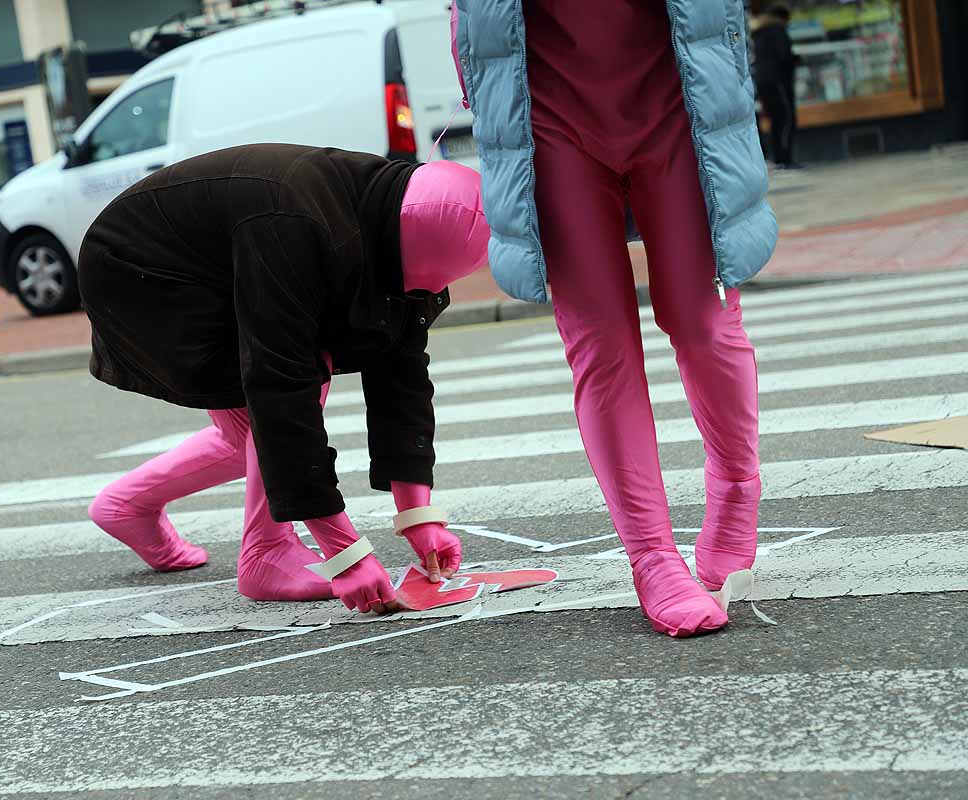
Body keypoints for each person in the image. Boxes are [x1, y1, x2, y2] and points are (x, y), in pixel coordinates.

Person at [452, 1, 778, 637]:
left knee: (702, 322)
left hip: (679, 102)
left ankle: (737, 488)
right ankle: (653, 558)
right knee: (602, 347)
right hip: (547, 118)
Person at [79, 144, 490, 614]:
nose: (423, 296)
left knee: (249, 439)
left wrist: (419, 515)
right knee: (290, 387)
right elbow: (280, 385)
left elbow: (401, 369)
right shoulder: (297, 229)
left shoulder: (390, 213)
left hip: (212, 258)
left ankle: (126, 504)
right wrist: (345, 553)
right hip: (141, 274)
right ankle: (265, 553)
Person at [753, 2, 800, 168]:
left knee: (775, 119)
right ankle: (784, 158)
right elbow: (784, 56)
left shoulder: (759, 31)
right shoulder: (778, 31)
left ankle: (778, 158)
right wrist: (796, 60)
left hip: (762, 80)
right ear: (783, 18)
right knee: (785, 117)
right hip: (777, 80)